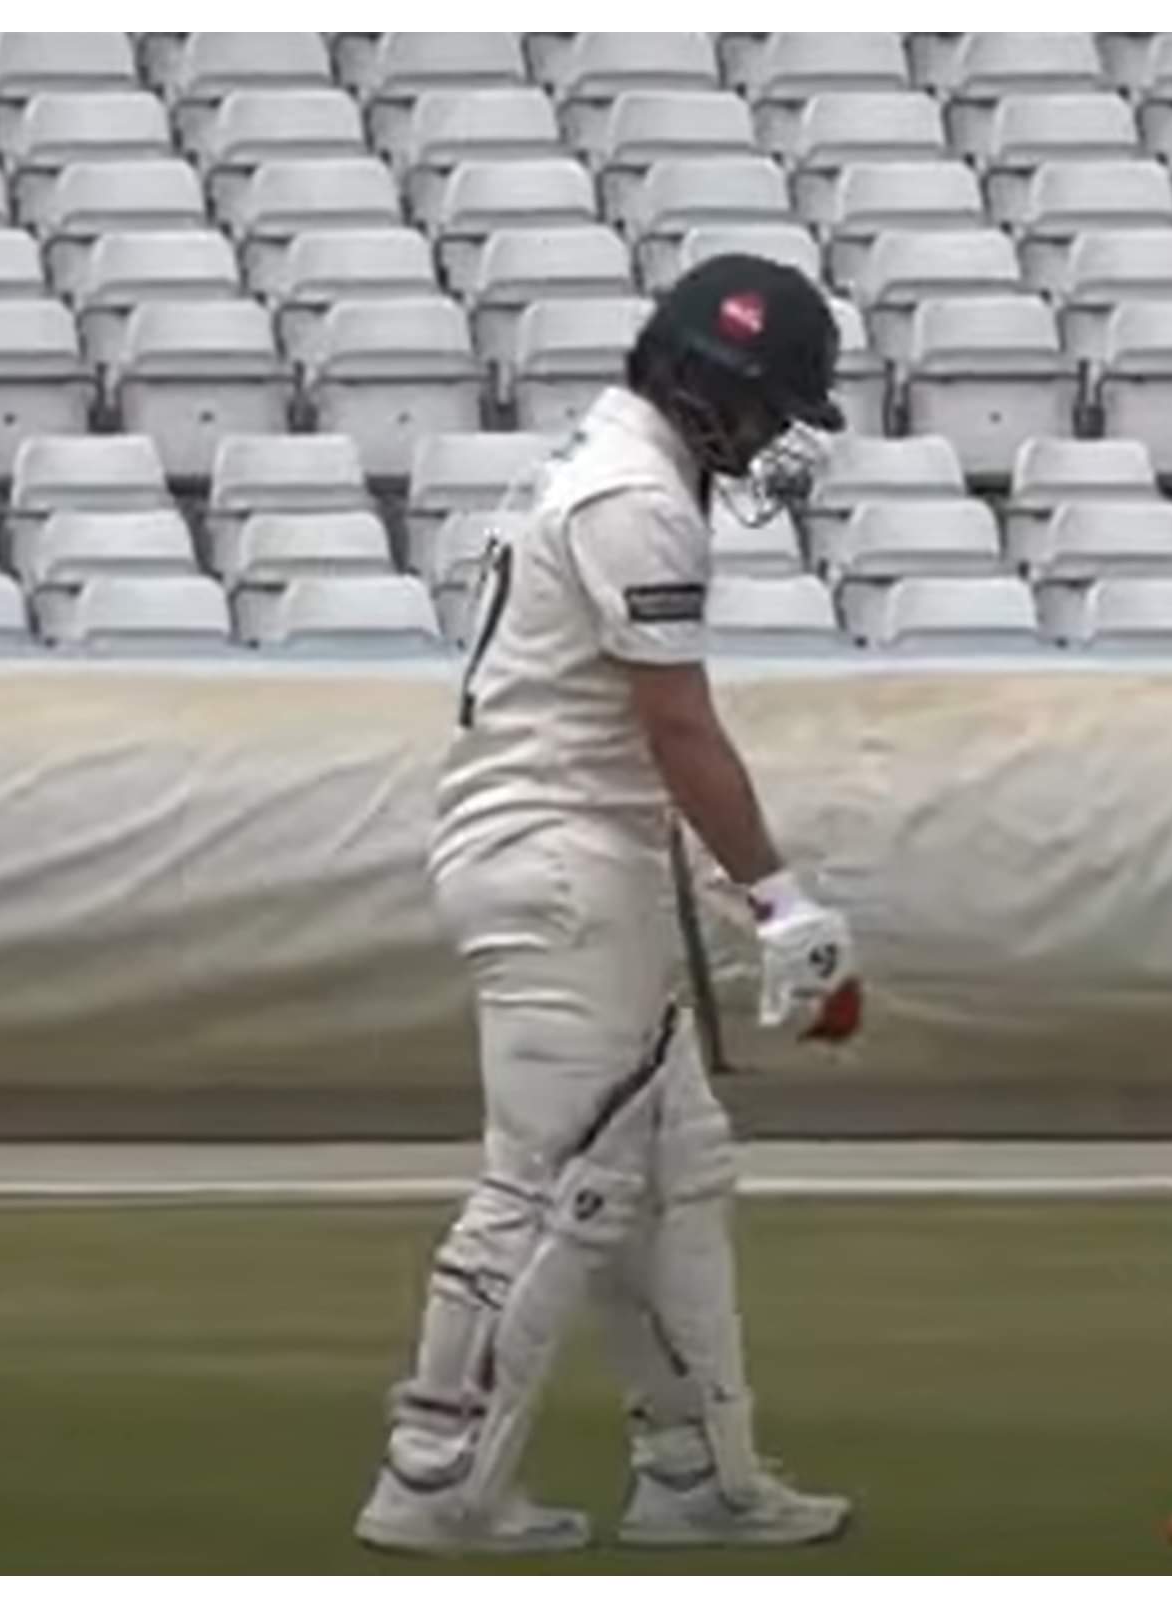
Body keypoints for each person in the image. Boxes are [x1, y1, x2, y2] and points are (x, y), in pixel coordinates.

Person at [356, 256, 867, 1557]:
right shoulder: (636, 499)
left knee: (673, 1167)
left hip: (574, 856)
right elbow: (678, 727)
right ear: (704, 385)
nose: (774, 434)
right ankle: (433, 1478)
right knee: (546, 1188)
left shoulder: (613, 466)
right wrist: (780, 901)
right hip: (557, 865)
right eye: (766, 407)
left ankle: (695, 1473)